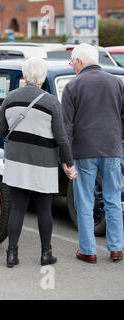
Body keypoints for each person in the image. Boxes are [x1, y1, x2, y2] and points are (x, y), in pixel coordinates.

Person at [0, 57, 77, 268]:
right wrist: (68, 162)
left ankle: (11, 254)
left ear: (24, 76)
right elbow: (61, 138)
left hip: (16, 162)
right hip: (43, 164)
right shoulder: (51, 102)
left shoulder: (11, 98)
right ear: (43, 78)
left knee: (17, 209)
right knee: (44, 210)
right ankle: (45, 254)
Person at [62, 43, 124, 263]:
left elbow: (66, 127)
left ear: (79, 61)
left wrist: (66, 159)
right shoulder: (117, 83)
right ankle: (117, 248)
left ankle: (88, 251)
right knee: (113, 199)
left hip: (84, 151)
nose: (72, 67)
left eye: (72, 63)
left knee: (85, 201)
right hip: (113, 149)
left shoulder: (72, 86)